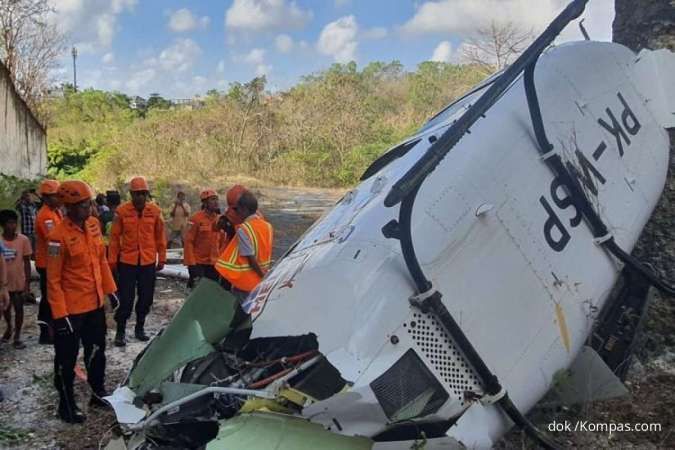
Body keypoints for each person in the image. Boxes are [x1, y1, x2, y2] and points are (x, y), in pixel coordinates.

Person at [47, 180, 116, 424]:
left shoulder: (94, 226)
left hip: (94, 304)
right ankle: (66, 405)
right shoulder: (57, 237)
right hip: (71, 310)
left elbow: (102, 261)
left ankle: (97, 393)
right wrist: (59, 314)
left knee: (97, 352)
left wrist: (111, 290)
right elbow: (53, 280)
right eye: (85, 205)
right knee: (66, 359)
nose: (90, 208)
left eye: (89, 203)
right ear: (70, 206)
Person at [109, 176, 166, 346]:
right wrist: (112, 262)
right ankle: (120, 331)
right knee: (125, 299)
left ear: (147, 194)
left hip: (147, 262)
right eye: (136, 194)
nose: (140, 197)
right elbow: (114, 238)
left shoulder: (155, 212)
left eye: (143, 193)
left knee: (146, 297)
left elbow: (160, 237)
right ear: (131, 194)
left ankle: (139, 328)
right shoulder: (121, 212)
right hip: (127, 262)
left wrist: (161, 258)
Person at [215, 191, 273, 302]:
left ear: (244, 210)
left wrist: (262, 276)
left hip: (246, 281)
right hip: (261, 276)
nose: (237, 213)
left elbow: (250, 257)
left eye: (238, 210)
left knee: (242, 311)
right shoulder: (267, 226)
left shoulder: (244, 229)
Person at [35, 179, 62, 344]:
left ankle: (52, 329)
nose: (58, 198)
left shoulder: (56, 212)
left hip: (53, 263)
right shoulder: (45, 216)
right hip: (47, 264)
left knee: (53, 296)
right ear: (46, 198)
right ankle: (45, 332)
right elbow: (53, 241)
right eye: (55, 196)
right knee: (48, 298)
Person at [0, 210, 32, 349]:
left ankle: (17, 336)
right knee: (5, 308)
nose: (12, 226)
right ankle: (9, 327)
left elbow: (27, 262)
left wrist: (27, 284)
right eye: (9, 223)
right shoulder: (0, 241)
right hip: (4, 283)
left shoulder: (23, 240)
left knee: (19, 308)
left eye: (14, 223)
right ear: (3, 225)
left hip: (19, 281)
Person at [184, 190, 228, 289]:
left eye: (217, 199)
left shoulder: (220, 220)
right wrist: (191, 263)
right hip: (198, 263)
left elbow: (222, 242)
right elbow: (188, 241)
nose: (216, 202)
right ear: (204, 202)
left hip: (214, 264)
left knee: (211, 292)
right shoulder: (195, 219)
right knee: (197, 291)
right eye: (213, 199)